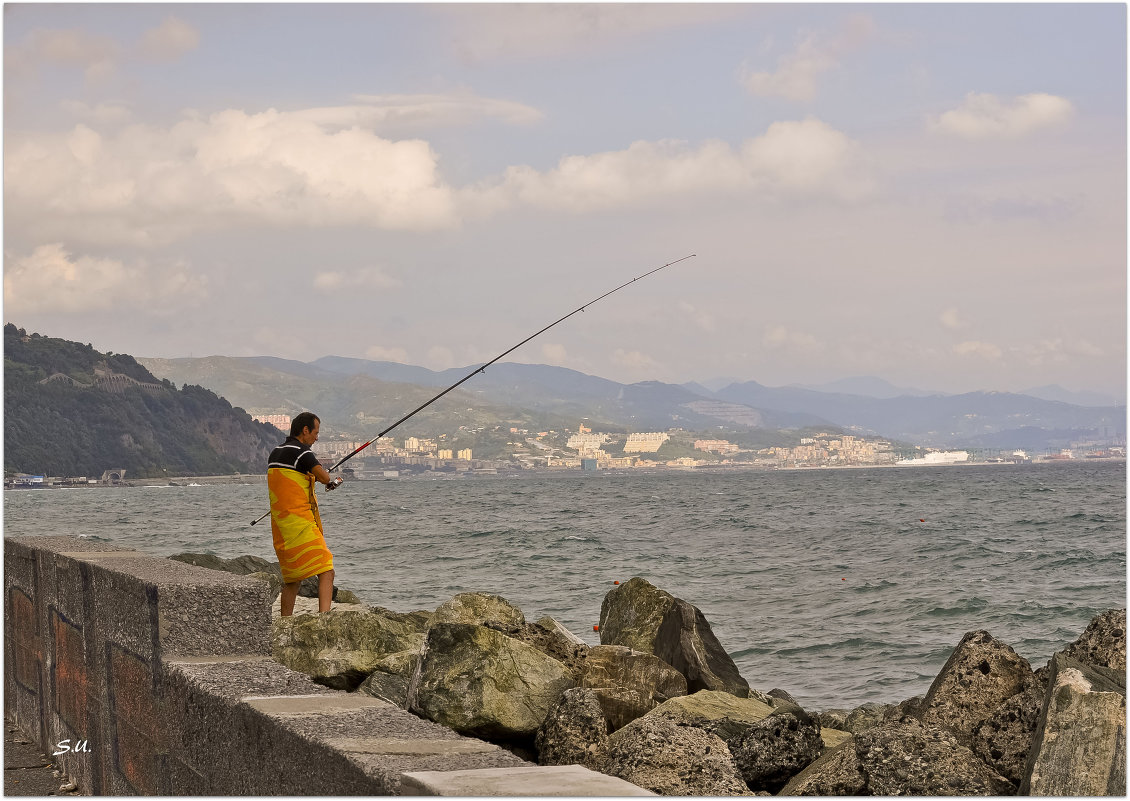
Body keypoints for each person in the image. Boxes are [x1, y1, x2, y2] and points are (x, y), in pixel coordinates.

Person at [267, 411, 342, 615]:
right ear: (305, 430)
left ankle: (285, 622)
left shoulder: (275, 452)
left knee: (292, 579)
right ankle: (324, 618)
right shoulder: (303, 453)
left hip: (281, 527)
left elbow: (289, 481)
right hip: (300, 523)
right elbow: (325, 477)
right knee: (326, 569)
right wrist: (333, 482)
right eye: (315, 432)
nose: (316, 438)